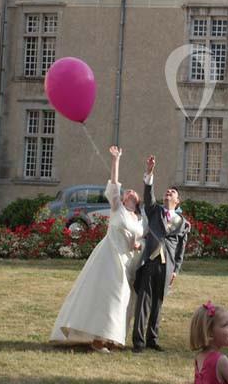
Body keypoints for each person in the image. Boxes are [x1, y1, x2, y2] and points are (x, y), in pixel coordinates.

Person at [50, 146, 145, 352]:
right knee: (107, 294)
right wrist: (115, 160)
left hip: (127, 260)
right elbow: (113, 184)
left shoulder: (138, 219)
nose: (129, 192)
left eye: (133, 193)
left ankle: (112, 337)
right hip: (109, 257)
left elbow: (139, 240)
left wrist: (137, 245)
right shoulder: (117, 208)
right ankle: (98, 340)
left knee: (122, 298)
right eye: (127, 191)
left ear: (136, 202)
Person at [131, 154, 191, 352]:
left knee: (158, 302)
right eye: (166, 191)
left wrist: (176, 270)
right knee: (144, 302)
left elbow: (181, 248)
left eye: (172, 192)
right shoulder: (154, 211)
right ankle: (138, 343)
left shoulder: (183, 223)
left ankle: (152, 339)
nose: (168, 193)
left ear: (177, 200)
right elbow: (148, 195)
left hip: (168, 266)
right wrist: (149, 172)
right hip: (150, 261)